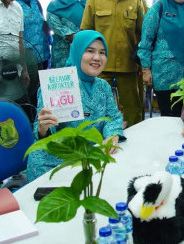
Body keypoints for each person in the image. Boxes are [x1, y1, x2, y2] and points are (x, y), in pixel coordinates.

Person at [27, 30, 124, 181]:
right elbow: (43, 135)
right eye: (90, 51)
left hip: (89, 160)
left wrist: (112, 134)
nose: (97, 58)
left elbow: (113, 117)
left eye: (102, 52)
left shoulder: (103, 86)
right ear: (77, 52)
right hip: (53, 166)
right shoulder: (57, 84)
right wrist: (43, 129)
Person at [80, 0, 146, 127]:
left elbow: (143, 35)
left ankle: (133, 143)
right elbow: (85, 34)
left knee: (133, 110)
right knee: (98, 108)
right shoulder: (94, 0)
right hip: (99, 65)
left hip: (128, 65)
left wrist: (143, 65)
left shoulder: (135, 1)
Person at [48, 0, 86, 69]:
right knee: (64, 80)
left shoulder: (82, 2)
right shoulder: (53, 6)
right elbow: (57, 27)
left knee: (81, 77)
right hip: (62, 52)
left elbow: (89, 22)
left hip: (82, 48)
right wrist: (80, 37)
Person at [17, 0, 51, 70]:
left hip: (43, 52)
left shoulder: (36, 2)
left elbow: (43, 24)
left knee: (43, 83)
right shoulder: (15, 5)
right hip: (27, 55)